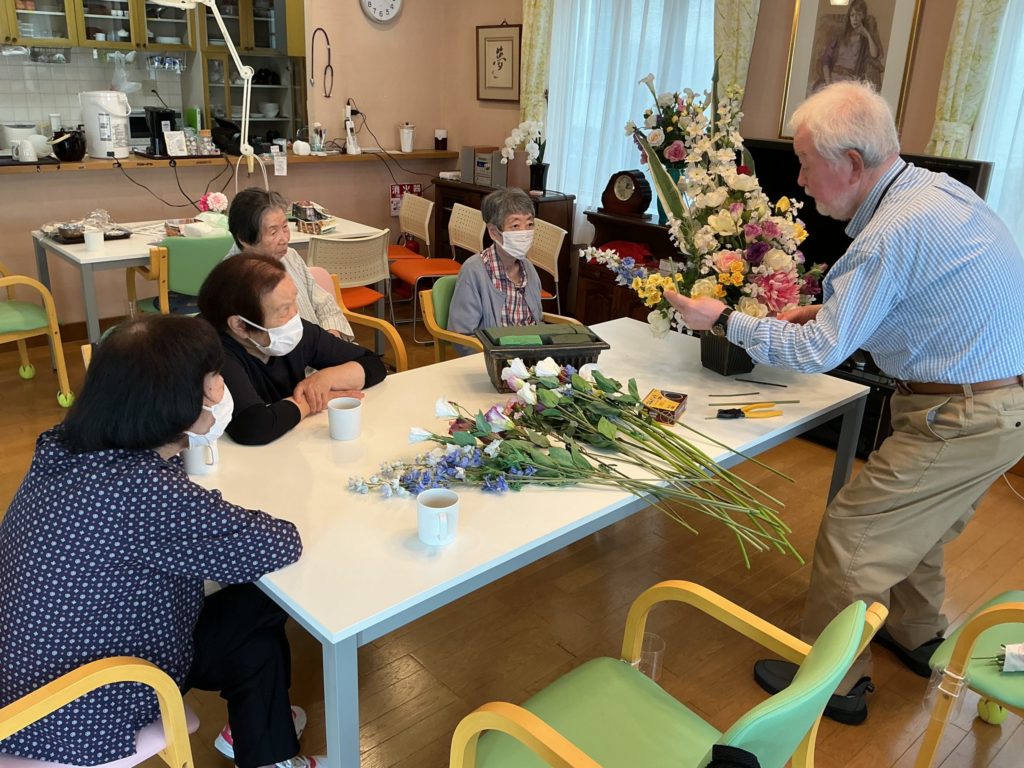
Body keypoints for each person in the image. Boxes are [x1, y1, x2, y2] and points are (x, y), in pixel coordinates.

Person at [665, 81, 1024, 723]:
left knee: (854, 534)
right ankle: (917, 634)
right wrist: (830, 313)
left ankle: (835, 683)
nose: (800, 180)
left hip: (961, 416)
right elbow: (924, 302)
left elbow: (818, 353)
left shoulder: (891, 232)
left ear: (852, 162)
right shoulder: (935, 193)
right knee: (918, 526)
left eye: (806, 163)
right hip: (996, 404)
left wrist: (722, 319)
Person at [0, 315, 321, 768]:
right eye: (214, 379)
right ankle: (263, 742)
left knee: (252, 636)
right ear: (173, 402)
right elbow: (277, 544)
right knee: (262, 600)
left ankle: (265, 750)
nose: (221, 390)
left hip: (25, 684)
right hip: (84, 707)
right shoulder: (141, 491)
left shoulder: (62, 446)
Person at [198, 253, 387, 445]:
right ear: (240, 325)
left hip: (289, 443)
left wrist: (326, 378)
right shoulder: (211, 350)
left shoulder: (294, 331)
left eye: (294, 301)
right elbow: (254, 426)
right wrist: (308, 401)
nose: (295, 314)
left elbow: (374, 365)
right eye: (285, 309)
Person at [228, 187, 355, 341]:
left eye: (285, 227)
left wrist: (332, 336)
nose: (284, 239)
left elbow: (324, 305)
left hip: (322, 345)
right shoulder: (232, 282)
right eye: (273, 232)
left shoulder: (290, 256)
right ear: (244, 238)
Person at [447, 187, 544, 345]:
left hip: (532, 354)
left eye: (529, 224)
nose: (524, 232)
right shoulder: (474, 270)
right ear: (493, 232)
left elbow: (537, 321)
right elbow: (462, 336)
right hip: (493, 355)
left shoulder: (528, 268)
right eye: (515, 226)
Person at [812, 0, 884, 93]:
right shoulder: (839, 36)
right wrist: (829, 83)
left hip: (849, 82)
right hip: (833, 77)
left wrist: (866, 33)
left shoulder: (864, 41)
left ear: (863, 16)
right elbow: (825, 60)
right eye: (852, 15)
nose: (855, 19)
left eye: (858, 15)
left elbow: (874, 54)